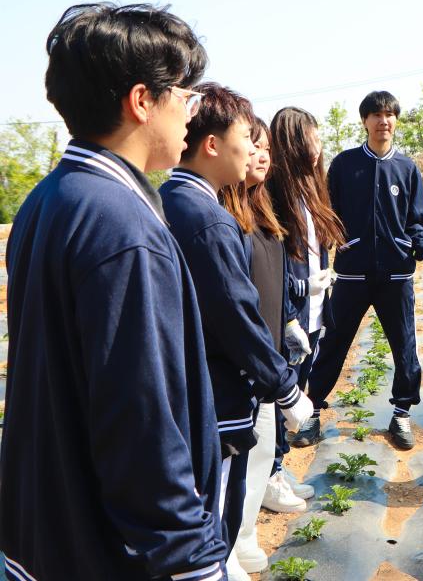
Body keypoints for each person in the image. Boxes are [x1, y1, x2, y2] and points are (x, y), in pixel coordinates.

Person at [0, 3, 226, 580]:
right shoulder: (123, 226)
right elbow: (140, 417)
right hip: (105, 550)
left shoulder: (48, 199)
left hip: (44, 530)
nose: (191, 112)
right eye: (186, 94)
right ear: (142, 101)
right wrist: (191, 559)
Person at [159, 83, 314, 552]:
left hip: (188, 387)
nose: (252, 151)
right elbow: (235, 315)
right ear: (212, 145)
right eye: (247, 138)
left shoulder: (170, 200)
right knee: (215, 515)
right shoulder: (207, 218)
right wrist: (285, 386)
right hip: (215, 390)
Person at [295, 90, 423, 449]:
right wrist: (330, 250)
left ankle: (401, 413)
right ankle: (312, 411)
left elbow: (417, 222)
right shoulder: (345, 165)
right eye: (376, 115)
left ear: (396, 120)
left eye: (389, 115)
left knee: (405, 346)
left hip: (396, 275)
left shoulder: (407, 169)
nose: (384, 121)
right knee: (333, 343)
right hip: (352, 274)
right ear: (365, 121)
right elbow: (327, 215)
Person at [220, 117, 312, 578]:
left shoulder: (264, 211)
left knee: (259, 456)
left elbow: (275, 282)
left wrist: (290, 319)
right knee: (237, 463)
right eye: (253, 145)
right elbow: (234, 307)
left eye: (267, 149)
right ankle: (228, 544)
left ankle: (244, 534)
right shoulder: (226, 219)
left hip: (267, 359)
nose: (261, 156)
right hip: (245, 366)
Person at [264, 107, 345, 498]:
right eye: (310, 139)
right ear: (291, 144)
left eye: (318, 139)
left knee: (297, 387)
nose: (317, 148)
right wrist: (294, 303)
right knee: (280, 398)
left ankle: (277, 470)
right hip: (289, 316)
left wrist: (321, 285)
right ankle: (270, 474)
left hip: (311, 313)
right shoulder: (271, 195)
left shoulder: (310, 189)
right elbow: (269, 266)